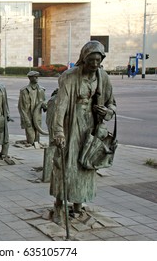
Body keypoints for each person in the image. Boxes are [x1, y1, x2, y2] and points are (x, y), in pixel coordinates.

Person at [49, 41, 116, 224]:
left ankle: (78, 204)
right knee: (66, 164)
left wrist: (108, 112)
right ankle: (59, 203)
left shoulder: (103, 77)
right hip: (72, 124)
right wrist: (59, 133)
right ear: (83, 59)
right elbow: (60, 107)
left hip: (91, 126)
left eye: (98, 60)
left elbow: (112, 103)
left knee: (86, 165)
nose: (94, 64)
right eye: (91, 60)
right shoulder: (70, 77)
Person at [18, 70, 47, 146]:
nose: (37, 78)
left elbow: (44, 103)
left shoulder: (41, 90)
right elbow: (21, 107)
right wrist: (25, 118)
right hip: (28, 116)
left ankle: (33, 142)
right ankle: (27, 141)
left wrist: (46, 106)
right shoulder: (24, 90)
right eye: (35, 77)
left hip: (37, 116)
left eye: (37, 76)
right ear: (30, 78)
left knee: (37, 139)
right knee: (31, 139)